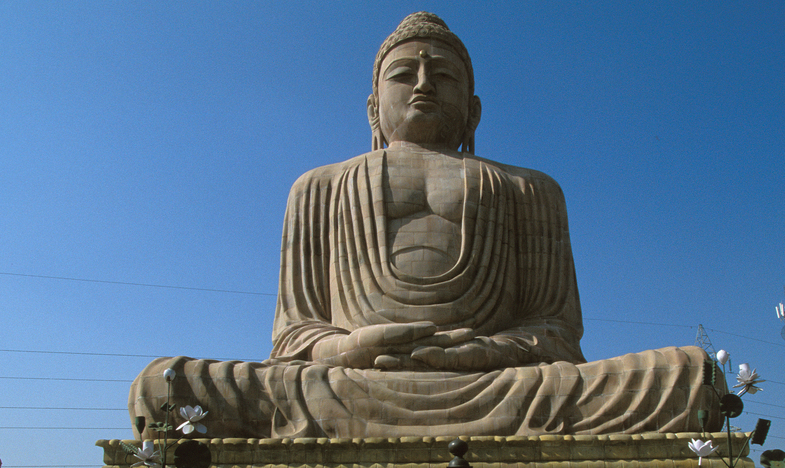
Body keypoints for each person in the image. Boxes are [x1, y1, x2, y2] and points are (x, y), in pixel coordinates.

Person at [129, 12, 724, 441]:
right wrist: (350, 346)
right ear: (371, 108)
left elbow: (557, 334)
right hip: (350, 382)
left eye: (441, 75)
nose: (421, 84)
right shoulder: (319, 186)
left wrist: (485, 352)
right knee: (166, 388)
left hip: (498, 383)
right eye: (403, 74)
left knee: (692, 376)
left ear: (473, 108)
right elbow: (294, 338)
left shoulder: (529, 189)